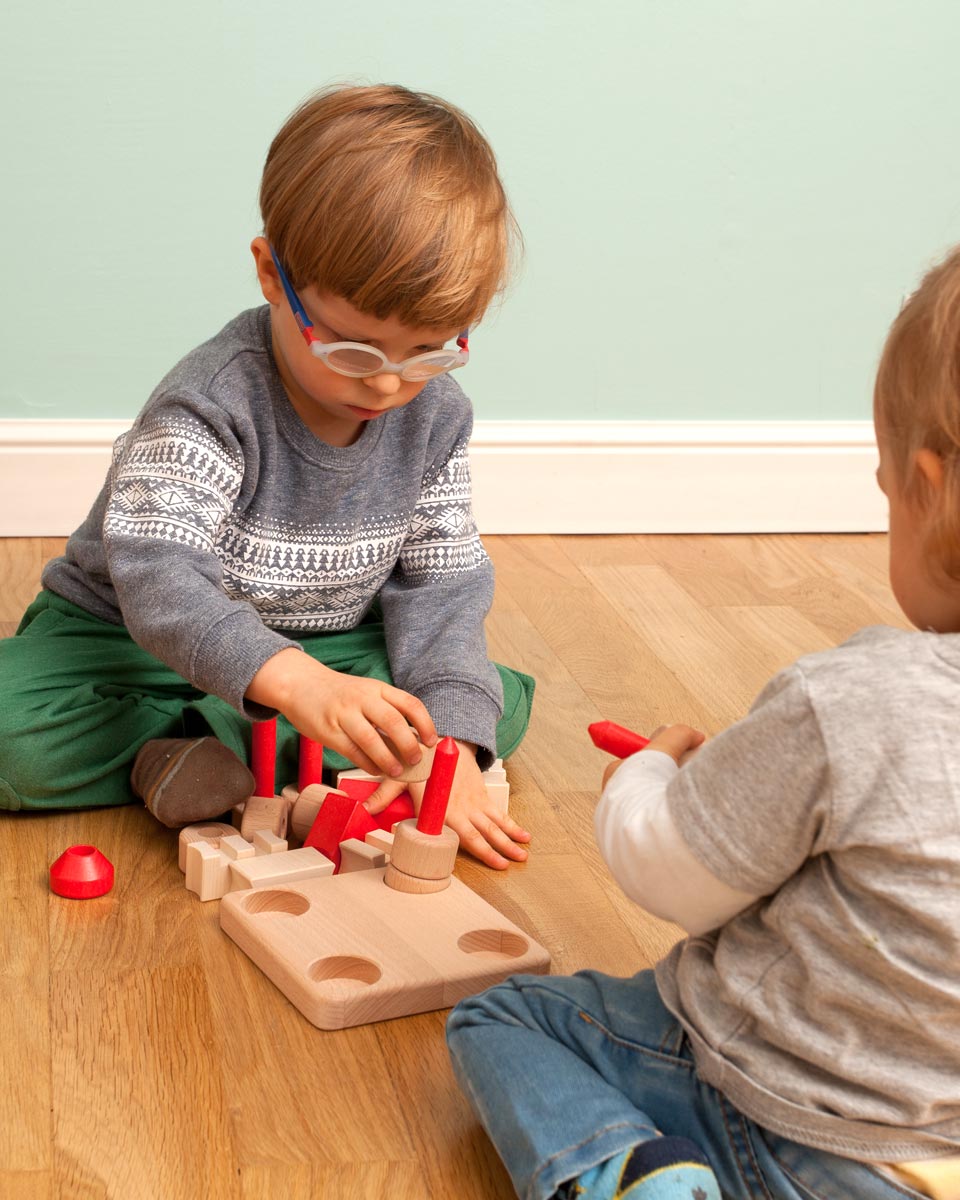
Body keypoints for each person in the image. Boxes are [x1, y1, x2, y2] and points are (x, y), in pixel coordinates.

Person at [447, 246, 960, 1197]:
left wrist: (646, 776)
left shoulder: (847, 702)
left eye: (886, 485)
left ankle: (636, 1174)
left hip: (774, 1113)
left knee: (504, 1018)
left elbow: (668, 868)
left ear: (926, 483)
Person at [0, 83, 534, 870]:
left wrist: (451, 749)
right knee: (12, 734)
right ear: (269, 274)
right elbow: (161, 585)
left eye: (429, 352)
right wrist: (302, 691)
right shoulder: (211, 402)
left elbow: (442, 590)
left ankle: (215, 758)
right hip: (125, 644)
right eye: (353, 351)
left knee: (495, 703)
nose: (387, 383)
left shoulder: (437, 415)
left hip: (327, 645)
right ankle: (199, 746)